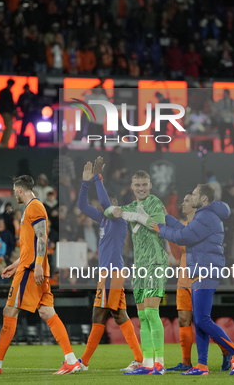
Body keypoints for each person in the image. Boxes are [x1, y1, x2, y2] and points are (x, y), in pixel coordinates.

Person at [0, 175, 81, 375]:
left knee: (9, 311)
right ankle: (71, 360)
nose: (13, 193)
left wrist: (36, 265)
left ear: (20, 189)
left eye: (14, 190)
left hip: (31, 270)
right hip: (32, 267)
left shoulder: (34, 207)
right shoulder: (30, 208)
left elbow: (41, 237)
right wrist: (15, 264)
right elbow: (30, 245)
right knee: (47, 312)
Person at [148, 184, 234, 376]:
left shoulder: (205, 216)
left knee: (202, 319)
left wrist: (158, 227)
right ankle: (201, 365)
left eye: (193, 194)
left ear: (203, 199)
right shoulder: (206, 215)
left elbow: (182, 236)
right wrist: (166, 217)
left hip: (205, 269)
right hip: (201, 269)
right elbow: (183, 229)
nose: (190, 196)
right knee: (201, 319)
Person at [77, 158, 143, 371]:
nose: (101, 208)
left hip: (112, 272)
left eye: (104, 205)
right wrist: (85, 182)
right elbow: (82, 205)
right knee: (116, 314)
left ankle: (84, 362)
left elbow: (105, 205)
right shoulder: (104, 219)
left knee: (102, 313)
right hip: (110, 272)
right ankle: (139, 359)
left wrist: (98, 178)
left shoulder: (118, 218)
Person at [105, 170, 168, 375]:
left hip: (155, 262)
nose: (141, 188)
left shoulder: (156, 203)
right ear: (132, 187)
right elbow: (107, 211)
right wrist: (115, 210)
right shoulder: (130, 206)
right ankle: (147, 363)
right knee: (141, 315)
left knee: (151, 312)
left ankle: (159, 363)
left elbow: (158, 225)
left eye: (144, 184)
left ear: (150, 185)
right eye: (137, 185)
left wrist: (134, 216)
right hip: (139, 266)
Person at [166, 191, 231, 372]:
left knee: (202, 321)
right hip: (183, 278)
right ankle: (186, 362)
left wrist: (171, 232)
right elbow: (178, 255)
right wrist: (170, 237)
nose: (184, 203)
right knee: (184, 320)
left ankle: (227, 350)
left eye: (188, 199)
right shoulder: (182, 226)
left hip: (198, 276)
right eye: (184, 200)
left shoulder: (199, 224)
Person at [0, 79, 16, 148]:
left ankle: (4, 143)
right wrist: (12, 110)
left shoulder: (3, 91)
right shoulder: (6, 92)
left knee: (8, 127)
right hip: (6, 111)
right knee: (9, 126)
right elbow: (9, 103)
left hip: (5, 111)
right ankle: (3, 143)